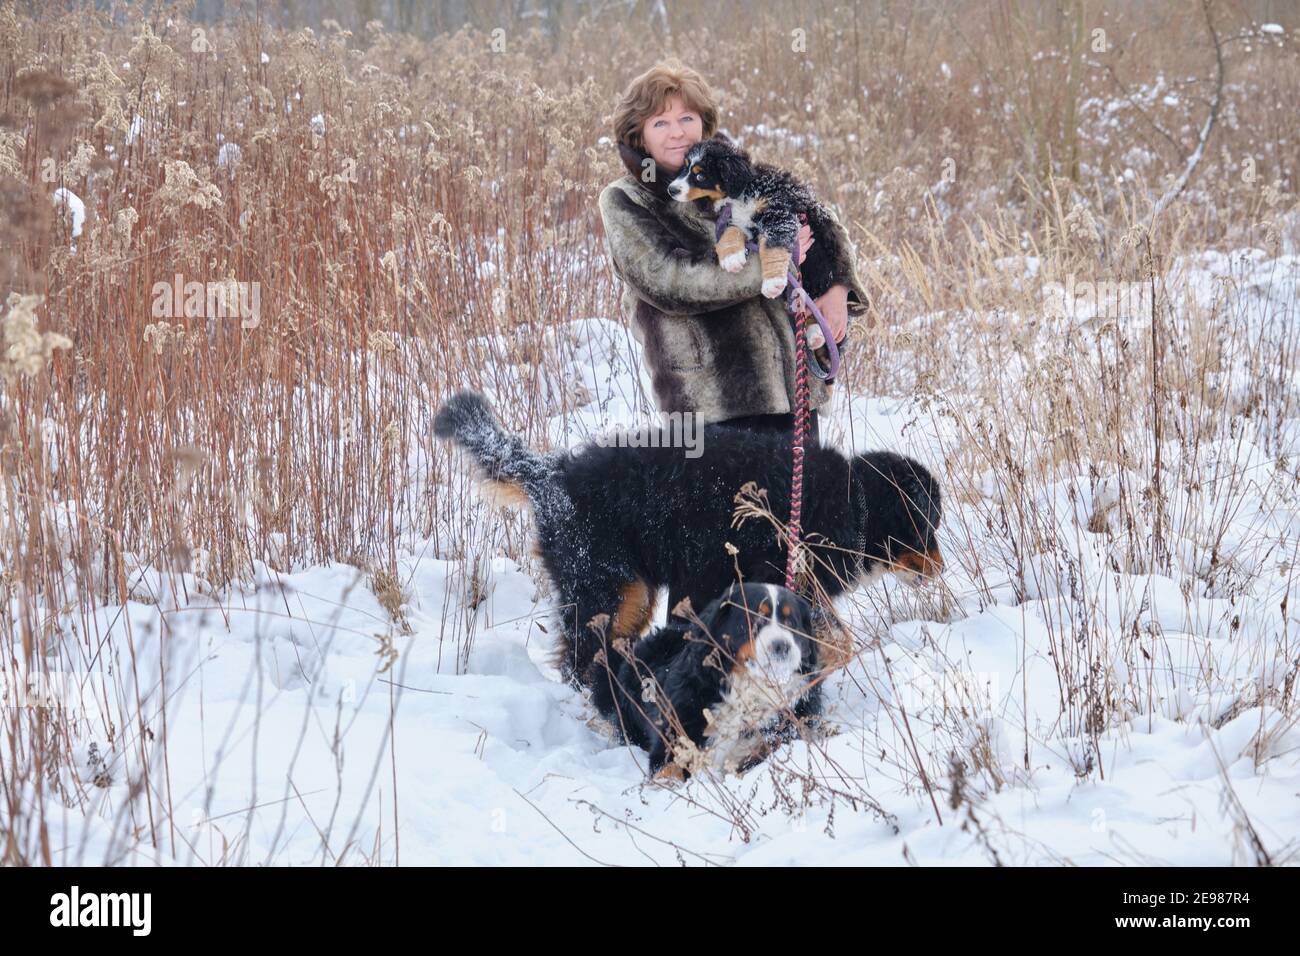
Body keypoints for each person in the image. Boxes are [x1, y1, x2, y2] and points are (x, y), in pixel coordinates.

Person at [598, 59, 871, 617]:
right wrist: (768, 267)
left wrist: (837, 288)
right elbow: (670, 281)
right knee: (716, 553)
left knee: (797, 544)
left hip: (789, 393)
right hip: (710, 403)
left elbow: (818, 219)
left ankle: (796, 677)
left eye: (688, 118)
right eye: (661, 123)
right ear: (637, 134)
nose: (677, 132)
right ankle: (697, 683)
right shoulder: (628, 201)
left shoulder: (733, 172)